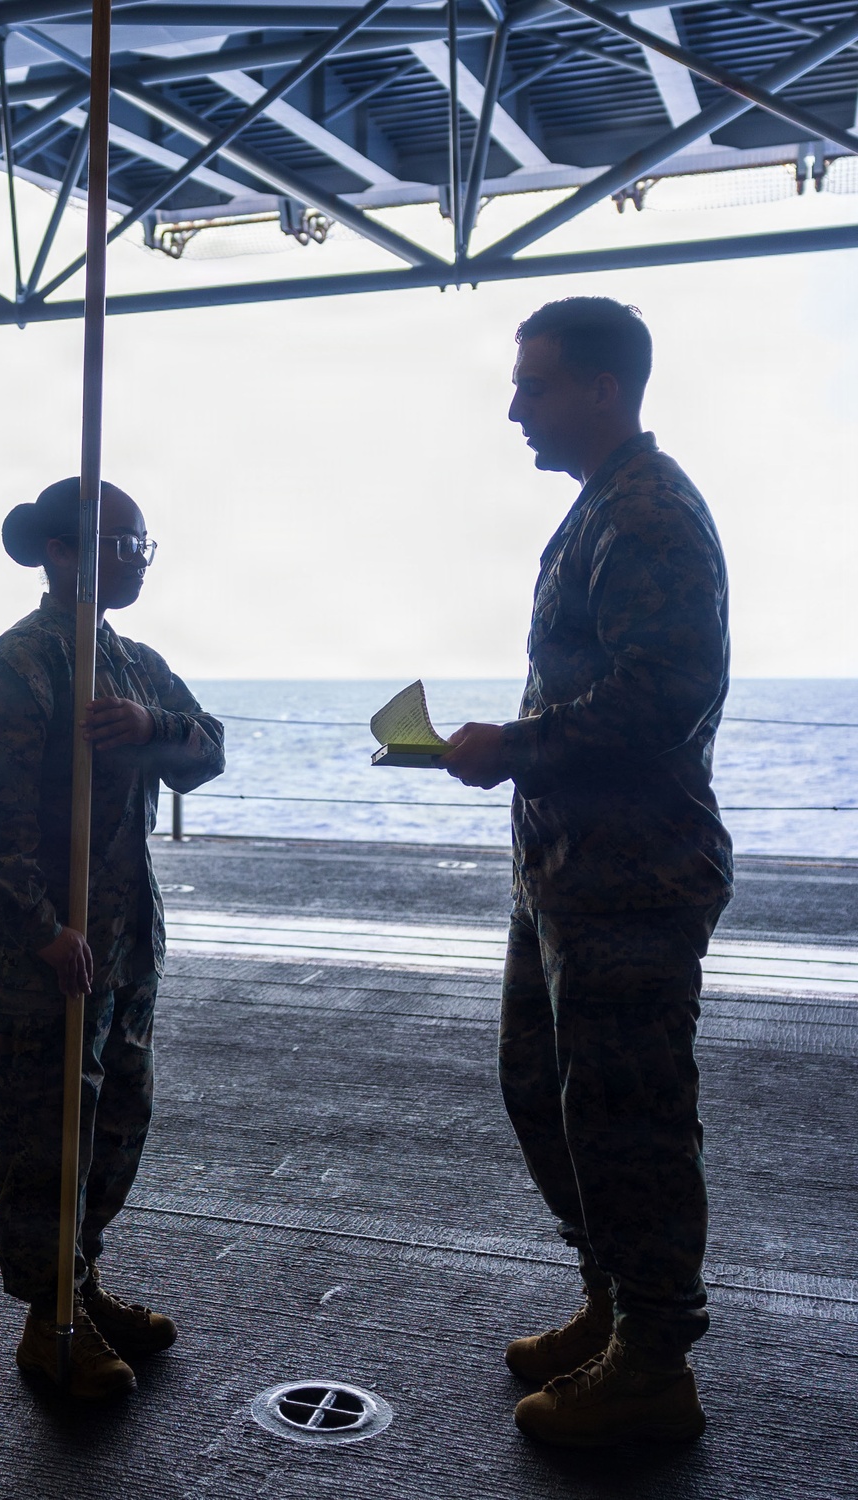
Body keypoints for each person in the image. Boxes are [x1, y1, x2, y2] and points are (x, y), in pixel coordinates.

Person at [443, 298, 732, 1447]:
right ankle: (612, 1300)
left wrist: (508, 748)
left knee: (629, 1120)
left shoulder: (648, 515)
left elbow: (665, 694)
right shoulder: (601, 511)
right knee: (544, 1093)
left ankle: (655, 1360)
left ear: (600, 391)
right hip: (569, 875)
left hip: (632, 881)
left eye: (535, 384)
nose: (515, 406)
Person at [0, 478, 225, 1401]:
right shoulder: (25, 662)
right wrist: (44, 928)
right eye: (123, 544)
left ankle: (83, 1281)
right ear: (65, 552)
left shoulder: (132, 663)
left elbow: (210, 750)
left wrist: (156, 726)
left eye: (144, 545)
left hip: (125, 941)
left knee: (114, 1121)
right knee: (44, 1132)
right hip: (45, 954)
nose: (137, 560)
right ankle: (45, 1318)